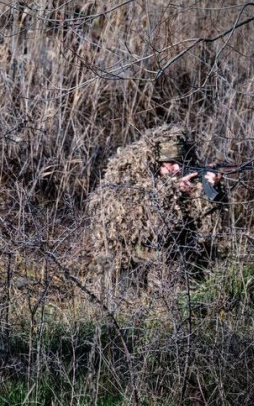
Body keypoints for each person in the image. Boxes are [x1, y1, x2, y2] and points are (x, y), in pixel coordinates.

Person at [83, 124, 227, 312]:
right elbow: (132, 218)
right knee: (124, 308)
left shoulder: (184, 179)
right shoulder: (124, 178)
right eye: (169, 163)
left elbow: (205, 228)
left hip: (169, 265)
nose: (177, 168)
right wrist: (170, 190)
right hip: (127, 265)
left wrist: (208, 190)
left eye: (180, 162)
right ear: (154, 162)